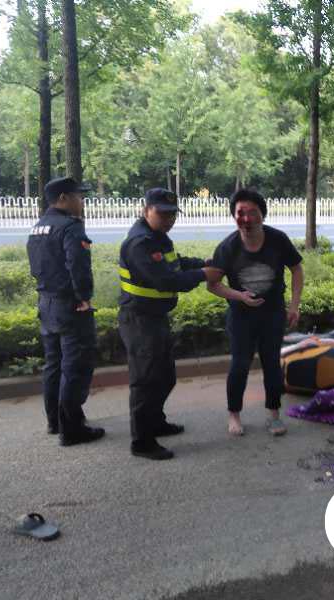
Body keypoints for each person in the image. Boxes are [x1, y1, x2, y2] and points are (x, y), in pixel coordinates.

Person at [118, 188, 223, 461]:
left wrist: (201, 263)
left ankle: (156, 422)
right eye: (163, 214)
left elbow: (175, 264)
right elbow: (165, 280)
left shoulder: (158, 238)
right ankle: (142, 442)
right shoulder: (139, 244)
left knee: (165, 377)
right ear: (146, 211)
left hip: (155, 318)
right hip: (139, 320)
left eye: (173, 214)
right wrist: (202, 274)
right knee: (146, 382)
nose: (169, 219)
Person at [207, 189, 304, 437]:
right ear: (234, 216)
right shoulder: (228, 247)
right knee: (240, 365)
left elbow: (296, 269)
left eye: (252, 212)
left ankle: (274, 414)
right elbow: (213, 284)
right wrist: (239, 296)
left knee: (272, 363)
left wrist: (294, 305)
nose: (246, 218)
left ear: (262, 214)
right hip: (241, 317)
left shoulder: (278, 240)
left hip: (273, 314)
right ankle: (234, 414)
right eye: (241, 213)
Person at [26, 176, 105, 446]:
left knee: (54, 365)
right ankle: (72, 430)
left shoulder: (38, 227)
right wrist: (84, 297)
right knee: (75, 366)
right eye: (78, 197)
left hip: (46, 303)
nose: (81, 202)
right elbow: (78, 267)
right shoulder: (70, 227)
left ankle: (55, 421)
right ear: (63, 198)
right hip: (70, 306)